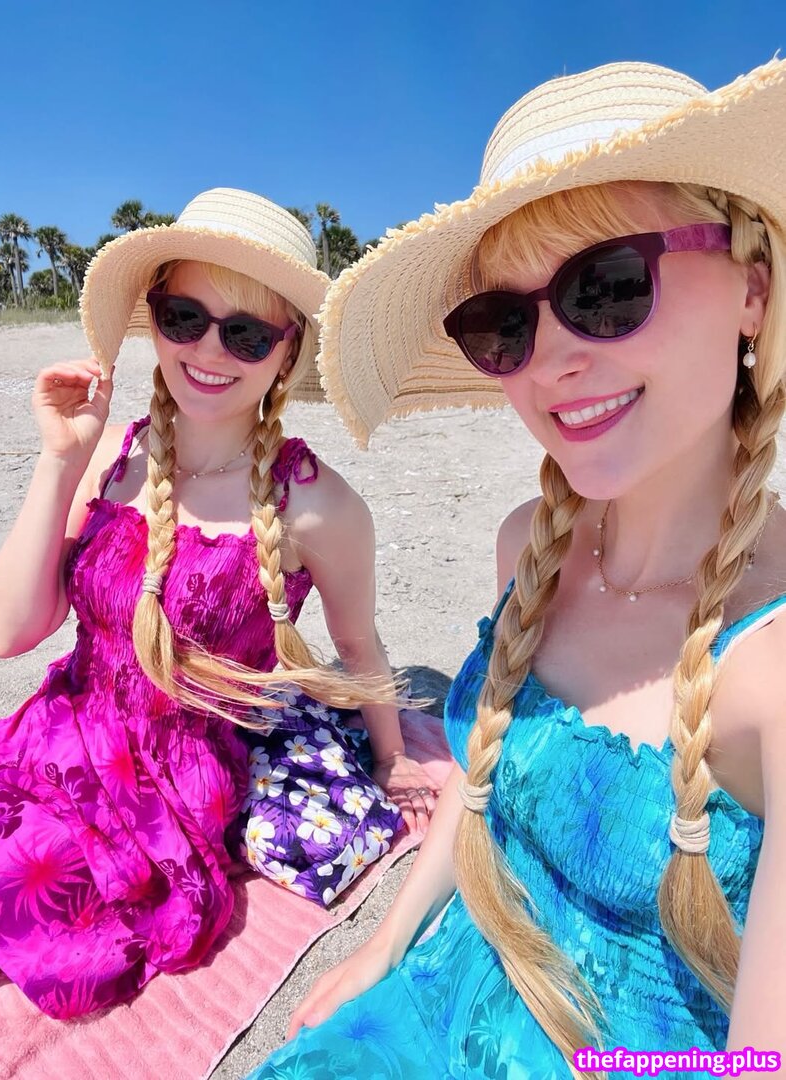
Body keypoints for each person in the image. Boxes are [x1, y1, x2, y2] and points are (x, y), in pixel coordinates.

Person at [248, 60, 786, 1078]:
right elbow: (484, 772)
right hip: (442, 983)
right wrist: (384, 944)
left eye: (607, 288)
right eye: (504, 323)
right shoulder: (527, 546)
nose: (549, 362)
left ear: (751, 290)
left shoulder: (772, 663)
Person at [0, 188, 436, 1019]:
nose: (209, 351)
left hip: (164, 790)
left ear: (286, 353)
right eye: (184, 317)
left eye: (246, 333)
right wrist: (59, 461)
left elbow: (358, 646)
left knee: (13, 896)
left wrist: (393, 755)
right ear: (155, 321)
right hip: (52, 733)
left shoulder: (316, 506)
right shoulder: (117, 456)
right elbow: (10, 632)